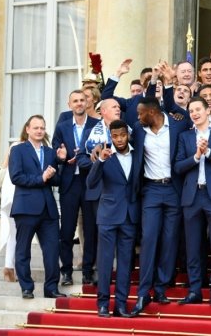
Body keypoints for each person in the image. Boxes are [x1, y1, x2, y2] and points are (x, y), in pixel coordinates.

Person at [130, 96, 191, 315]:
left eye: (140, 113)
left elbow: (187, 115)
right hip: (151, 190)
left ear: (152, 112)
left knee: (169, 239)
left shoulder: (177, 123)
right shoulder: (138, 130)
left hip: (173, 189)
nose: (137, 117)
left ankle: (161, 287)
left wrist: (167, 92)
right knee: (149, 239)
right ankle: (143, 292)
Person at [174, 97, 211, 306]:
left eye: (198, 109)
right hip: (191, 196)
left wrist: (208, 152)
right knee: (192, 247)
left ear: (208, 110)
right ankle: (194, 290)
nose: (194, 113)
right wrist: (196, 156)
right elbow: (178, 167)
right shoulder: (184, 136)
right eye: (191, 110)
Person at [9, 115, 67, 299]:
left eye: (42, 128)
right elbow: (16, 177)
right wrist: (41, 178)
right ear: (27, 129)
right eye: (36, 128)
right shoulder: (18, 150)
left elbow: (56, 180)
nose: (39, 131)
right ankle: (26, 287)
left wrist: (61, 162)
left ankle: (51, 288)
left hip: (48, 210)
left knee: (52, 251)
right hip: (25, 207)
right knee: (23, 250)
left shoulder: (50, 152)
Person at [86, 119, 139, 318]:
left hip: (129, 216)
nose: (119, 139)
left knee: (125, 264)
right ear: (110, 136)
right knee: (106, 262)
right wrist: (100, 160)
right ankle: (102, 304)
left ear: (128, 134)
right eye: (115, 136)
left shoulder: (136, 153)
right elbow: (91, 184)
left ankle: (121, 305)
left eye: (122, 135)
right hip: (108, 216)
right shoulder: (105, 156)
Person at [52, 90, 99, 286]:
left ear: (88, 102)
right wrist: (61, 157)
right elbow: (55, 150)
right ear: (69, 104)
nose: (79, 103)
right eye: (75, 101)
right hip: (69, 183)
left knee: (90, 229)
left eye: (82, 100)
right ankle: (67, 271)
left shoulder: (96, 125)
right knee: (67, 230)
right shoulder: (62, 126)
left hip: (90, 182)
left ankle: (88, 271)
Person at [0, 137, 26, 283]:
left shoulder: (14, 146)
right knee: (16, 232)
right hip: (17, 194)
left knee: (14, 232)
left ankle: (10, 267)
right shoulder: (24, 147)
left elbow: (4, 166)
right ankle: (10, 267)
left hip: (9, 195)